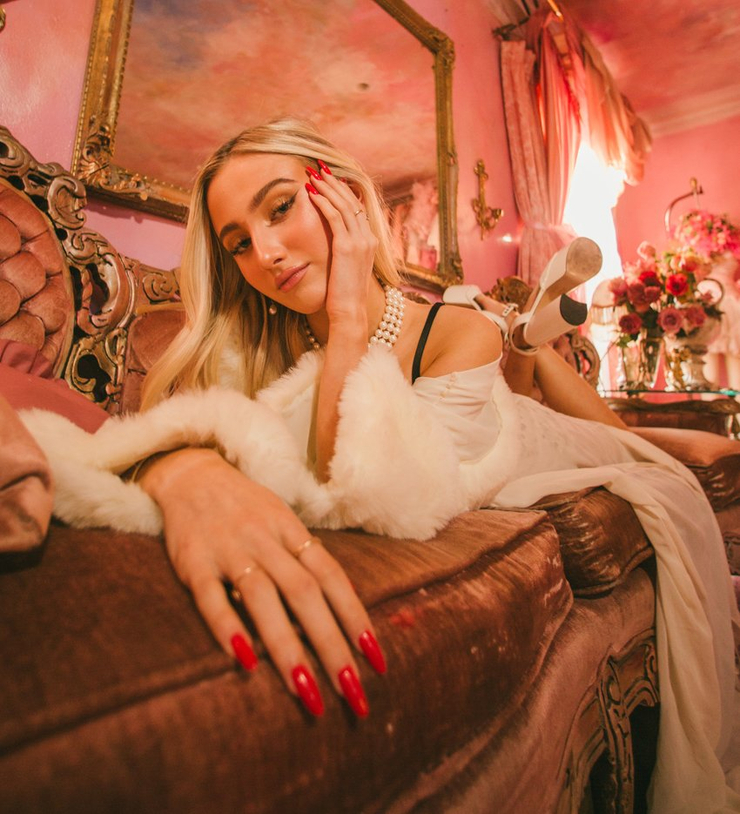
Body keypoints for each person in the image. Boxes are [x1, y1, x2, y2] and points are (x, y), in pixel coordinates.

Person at [20, 119, 740, 811]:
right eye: (238, 243)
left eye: (280, 207)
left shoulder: (453, 331)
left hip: (545, 437)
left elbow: (371, 492)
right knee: (522, 354)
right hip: (495, 403)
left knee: (611, 427)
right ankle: (531, 352)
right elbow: (183, 439)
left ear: (345, 197)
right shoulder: (258, 354)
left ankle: (550, 363)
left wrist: (348, 323)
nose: (265, 252)